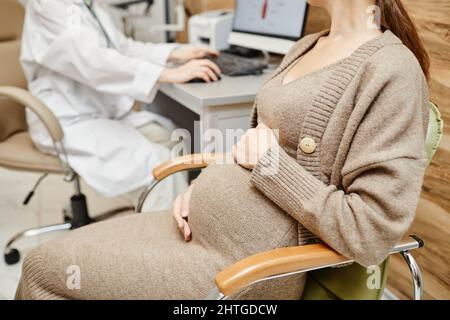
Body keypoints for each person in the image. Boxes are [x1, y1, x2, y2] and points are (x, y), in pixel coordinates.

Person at [16, 0, 430, 300]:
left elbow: (370, 232)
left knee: (43, 272)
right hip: (194, 233)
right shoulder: (307, 47)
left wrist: (268, 167)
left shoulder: (390, 71)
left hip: (239, 273)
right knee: (48, 260)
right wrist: (200, 189)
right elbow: (254, 148)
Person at [20, 0, 221, 210]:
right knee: (160, 166)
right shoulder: (48, 5)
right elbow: (92, 61)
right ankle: (161, 237)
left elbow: (122, 48)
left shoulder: (89, 4)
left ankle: (169, 212)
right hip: (65, 122)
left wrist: (174, 52)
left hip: (95, 111)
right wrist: (167, 74)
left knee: (170, 137)